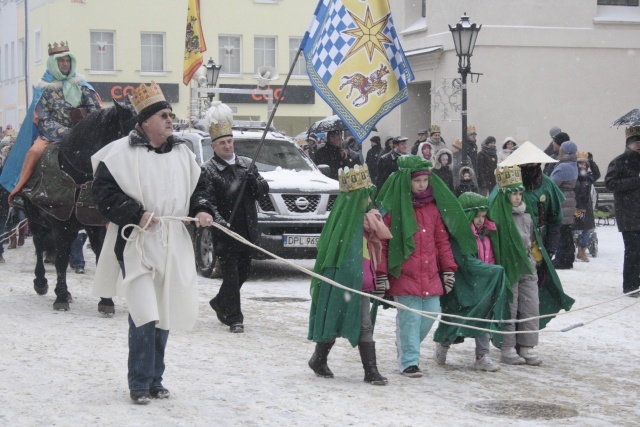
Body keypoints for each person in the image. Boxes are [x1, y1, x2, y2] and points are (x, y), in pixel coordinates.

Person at [91, 81, 215, 404]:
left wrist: (202, 209)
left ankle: (156, 377)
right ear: (145, 121)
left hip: (172, 240)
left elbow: (200, 188)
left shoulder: (183, 154)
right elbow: (102, 193)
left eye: (171, 114)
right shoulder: (120, 153)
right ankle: (139, 381)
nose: (170, 120)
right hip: (137, 242)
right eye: (163, 115)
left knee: (165, 309)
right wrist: (136, 212)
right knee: (145, 311)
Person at [376, 155, 466, 378]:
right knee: (410, 319)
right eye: (417, 181)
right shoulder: (395, 210)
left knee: (430, 315)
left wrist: (448, 269)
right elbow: (383, 245)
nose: (422, 185)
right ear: (407, 181)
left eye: (425, 180)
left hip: (431, 275)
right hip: (405, 275)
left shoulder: (433, 209)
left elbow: (441, 242)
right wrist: (382, 273)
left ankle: (407, 348)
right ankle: (409, 361)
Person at [308, 165, 391, 385]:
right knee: (333, 321)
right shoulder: (344, 224)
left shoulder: (368, 223)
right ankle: (319, 358)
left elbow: (371, 256)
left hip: (360, 285)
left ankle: (370, 371)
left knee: (364, 325)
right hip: (342, 284)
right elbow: (334, 257)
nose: (370, 202)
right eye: (366, 197)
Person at [197, 101, 269, 332]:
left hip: (246, 229)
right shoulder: (207, 170)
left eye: (229, 141)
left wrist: (254, 182)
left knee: (244, 273)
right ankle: (235, 318)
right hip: (226, 231)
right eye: (222, 143)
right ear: (214, 146)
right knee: (231, 275)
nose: (227, 146)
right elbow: (207, 201)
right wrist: (218, 222)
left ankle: (219, 302)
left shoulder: (247, 164)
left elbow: (263, 193)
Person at [489, 141, 574, 336]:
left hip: (536, 248)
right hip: (509, 248)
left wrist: (549, 248)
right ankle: (507, 339)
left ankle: (526, 340)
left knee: (532, 298)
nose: (530, 168)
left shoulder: (547, 185)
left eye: (533, 164)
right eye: (526, 165)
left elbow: (555, 220)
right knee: (509, 298)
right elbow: (493, 216)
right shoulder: (506, 185)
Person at [6, 41, 101, 204]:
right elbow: (43, 118)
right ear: (53, 63)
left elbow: (95, 109)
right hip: (53, 136)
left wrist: (88, 130)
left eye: (67, 60)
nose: (65, 64)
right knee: (34, 152)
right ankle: (22, 191)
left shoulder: (82, 85)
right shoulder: (44, 88)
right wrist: (69, 134)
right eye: (61, 61)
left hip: (84, 135)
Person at [433, 192, 510, 372]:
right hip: (462, 285)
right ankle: (443, 345)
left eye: (484, 216)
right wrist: (492, 271)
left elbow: (489, 256)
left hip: (482, 284)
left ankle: (482, 356)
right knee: (454, 318)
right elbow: (466, 261)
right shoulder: (458, 237)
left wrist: (490, 271)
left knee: (483, 316)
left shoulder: (487, 234)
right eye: (477, 216)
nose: (481, 220)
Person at [489, 165, 544, 365]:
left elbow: (532, 240)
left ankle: (528, 345)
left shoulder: (527, 216)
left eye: (520, 193)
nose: (518, 197)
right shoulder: (498, 216)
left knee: (530, 306)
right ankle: (507, 346)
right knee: (509, 309)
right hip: (508, 266)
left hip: (527, 266)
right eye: (513, 193)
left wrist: (536, 260)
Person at [604, 125, 640, 297]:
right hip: (629, 214)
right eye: (635, 141)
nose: (638, 144)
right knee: (633, 250)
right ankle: (631, 286)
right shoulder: (619, 161)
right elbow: (610, 184)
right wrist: (636, 180)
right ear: (628, 143)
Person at [550, 140, 579, 270]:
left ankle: (562, 259)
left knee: (562, 231)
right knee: (567, 231)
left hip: (563, 200)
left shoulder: (563, 167)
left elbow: (553, 183)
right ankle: (568, 258)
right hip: (569, 199)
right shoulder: (573, 165)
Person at [573, 151, 600, 262]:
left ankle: (581, 250)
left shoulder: (588, 177)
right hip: (576, 206)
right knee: (572, 228)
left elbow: (597, 174)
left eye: (584, 164)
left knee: (588, 228)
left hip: (586, 206)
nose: (582, 166)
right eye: (580, 164)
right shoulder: (573, 176)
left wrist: (592, 162)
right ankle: (570, 249)